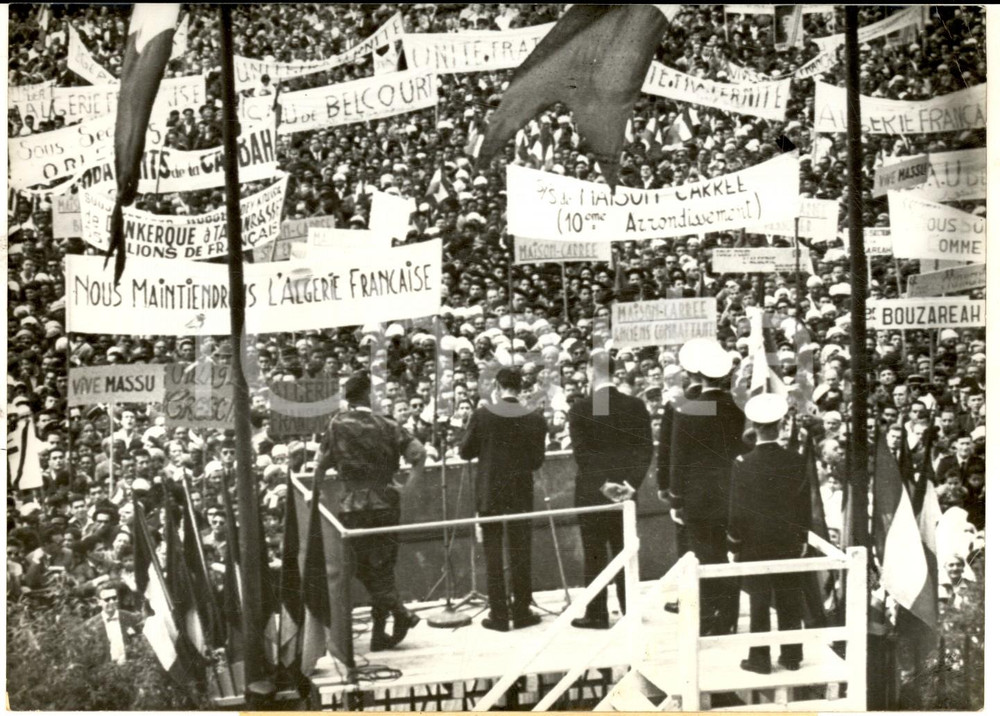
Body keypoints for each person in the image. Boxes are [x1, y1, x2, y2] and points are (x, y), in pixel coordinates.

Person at [313, 371, 426, 651]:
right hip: (386, 501)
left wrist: (313, 498)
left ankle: (395, 617)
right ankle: (389, 622)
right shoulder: (387, 423)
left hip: (353, 504)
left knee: (363, 567)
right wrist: (408, 489)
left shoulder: (335, 425)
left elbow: (319, 466)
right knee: (383, 567)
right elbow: (419, 454)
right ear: (368, 395)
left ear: (348, 398)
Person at [567, 350, 652, 629]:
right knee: (624, 551)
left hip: (593, 493)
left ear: (592, 371)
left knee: (594, 554)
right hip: (626, 494)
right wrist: (630, 485)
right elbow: (645, 450)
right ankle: (630, 612)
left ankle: (597, 614)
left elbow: (583, 454)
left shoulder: (580, 408)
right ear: (615, 372)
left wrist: (603, 483)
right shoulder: (636, 406)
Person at [666, 338, 745, 636]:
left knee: (703, 555)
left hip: (699, 497)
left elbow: (678, 460)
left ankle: (709, 616)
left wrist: (676, 499)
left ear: (697, 375)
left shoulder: (687, 410)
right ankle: (728, 617)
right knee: (728, 554)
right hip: (732, 492)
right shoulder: (737, 409)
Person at [459, 365, 547, 631]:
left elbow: (465, 452)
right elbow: (536, 461)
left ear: (497, 387)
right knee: (521, 551)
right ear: (520, 388)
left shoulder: (482, 415)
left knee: (493, 553)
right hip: (520, 492)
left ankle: (498, 615)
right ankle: (521, 611)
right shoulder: (534, 416)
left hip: (490, 494)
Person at [728, 393, 810, 674]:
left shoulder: (743, 463)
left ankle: (760, 658)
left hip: (755, 542)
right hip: (787, 540)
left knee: (759, 600)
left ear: (754, 426)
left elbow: (736, 510)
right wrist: (801, 538)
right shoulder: (796, 460)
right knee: (789, 597)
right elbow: (803, 505)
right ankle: (791, 655)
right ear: (779, 424)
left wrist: (734, 542)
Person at [85, 583, 144, 665]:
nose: (112, 602)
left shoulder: (131, 618)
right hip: (107, 673)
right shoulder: (90, 626)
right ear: (99, 602)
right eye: (107, 599)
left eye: (114, 598)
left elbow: (141, 644)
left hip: (132, 667)